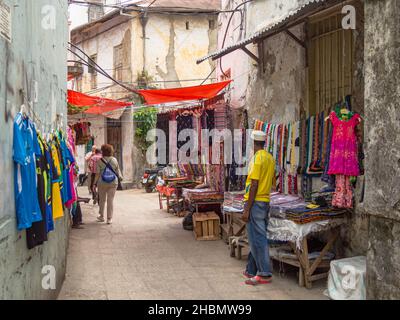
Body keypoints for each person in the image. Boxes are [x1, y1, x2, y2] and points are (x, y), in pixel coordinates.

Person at [242, 130, 276, 285]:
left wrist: (247, 208)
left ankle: (264, 273)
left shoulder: (257, 159)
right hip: (264, 201)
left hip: (255, 203)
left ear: (253, 143)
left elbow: (254, 183)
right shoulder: (269, 158)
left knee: (258, 238)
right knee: (254, 236)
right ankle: (251, 269)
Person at [94, 144, 123, 225]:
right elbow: (118, 170)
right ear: (111, 151)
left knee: (102, 200)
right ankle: (109, 219)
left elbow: (97, 174)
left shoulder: (99, 161)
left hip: (102, 183)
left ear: (102, 151)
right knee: (110, 201)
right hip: (113, 182)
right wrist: (120, 177)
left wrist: (94, 183)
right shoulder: (114, 160)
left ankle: (101, 216)